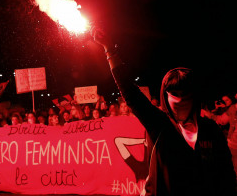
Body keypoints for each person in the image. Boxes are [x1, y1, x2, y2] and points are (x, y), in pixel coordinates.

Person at [91, 27, 236, 196]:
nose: (180, 100)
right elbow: (130, 93)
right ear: (165, 97)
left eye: (185, 94)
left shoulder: (210, 129)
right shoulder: (159, 124)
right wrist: (109, 49)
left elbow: (227, 175)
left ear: (194, 96)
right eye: (174, 94)